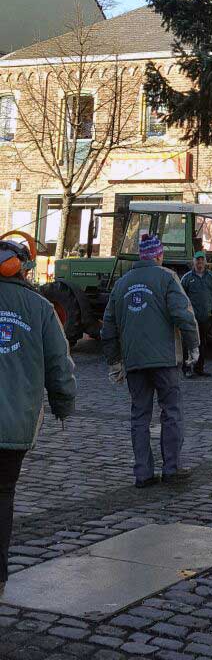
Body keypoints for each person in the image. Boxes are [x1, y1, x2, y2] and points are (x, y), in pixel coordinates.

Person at [0, 238, 76, 593]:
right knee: (2, 497)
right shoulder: (40, 308)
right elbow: (59, 366)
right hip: (14, 425)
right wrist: (63, 404)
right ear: (24, 268)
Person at [102, 232, 199, 488]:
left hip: (134, 362)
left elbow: (107, 328)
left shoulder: (121, 283)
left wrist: (115, 361)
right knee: (171, 412)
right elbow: (183, 315)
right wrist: (193, 346)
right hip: (164, 360)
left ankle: (143, 473)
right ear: (159, 255)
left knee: (139, 417)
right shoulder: (167, 278)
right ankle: (172, 468)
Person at [181, 251, 212, 378]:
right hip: (191, 318)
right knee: (188, 343)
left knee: (202, 343)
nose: (200, 262)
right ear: (194, 261)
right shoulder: (187, 278)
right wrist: (184, 312)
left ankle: (199, 368)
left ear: (205, 262)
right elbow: (181, 297)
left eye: (202, 260)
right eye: (197, 260)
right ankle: (187, 368)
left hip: (205, 317)